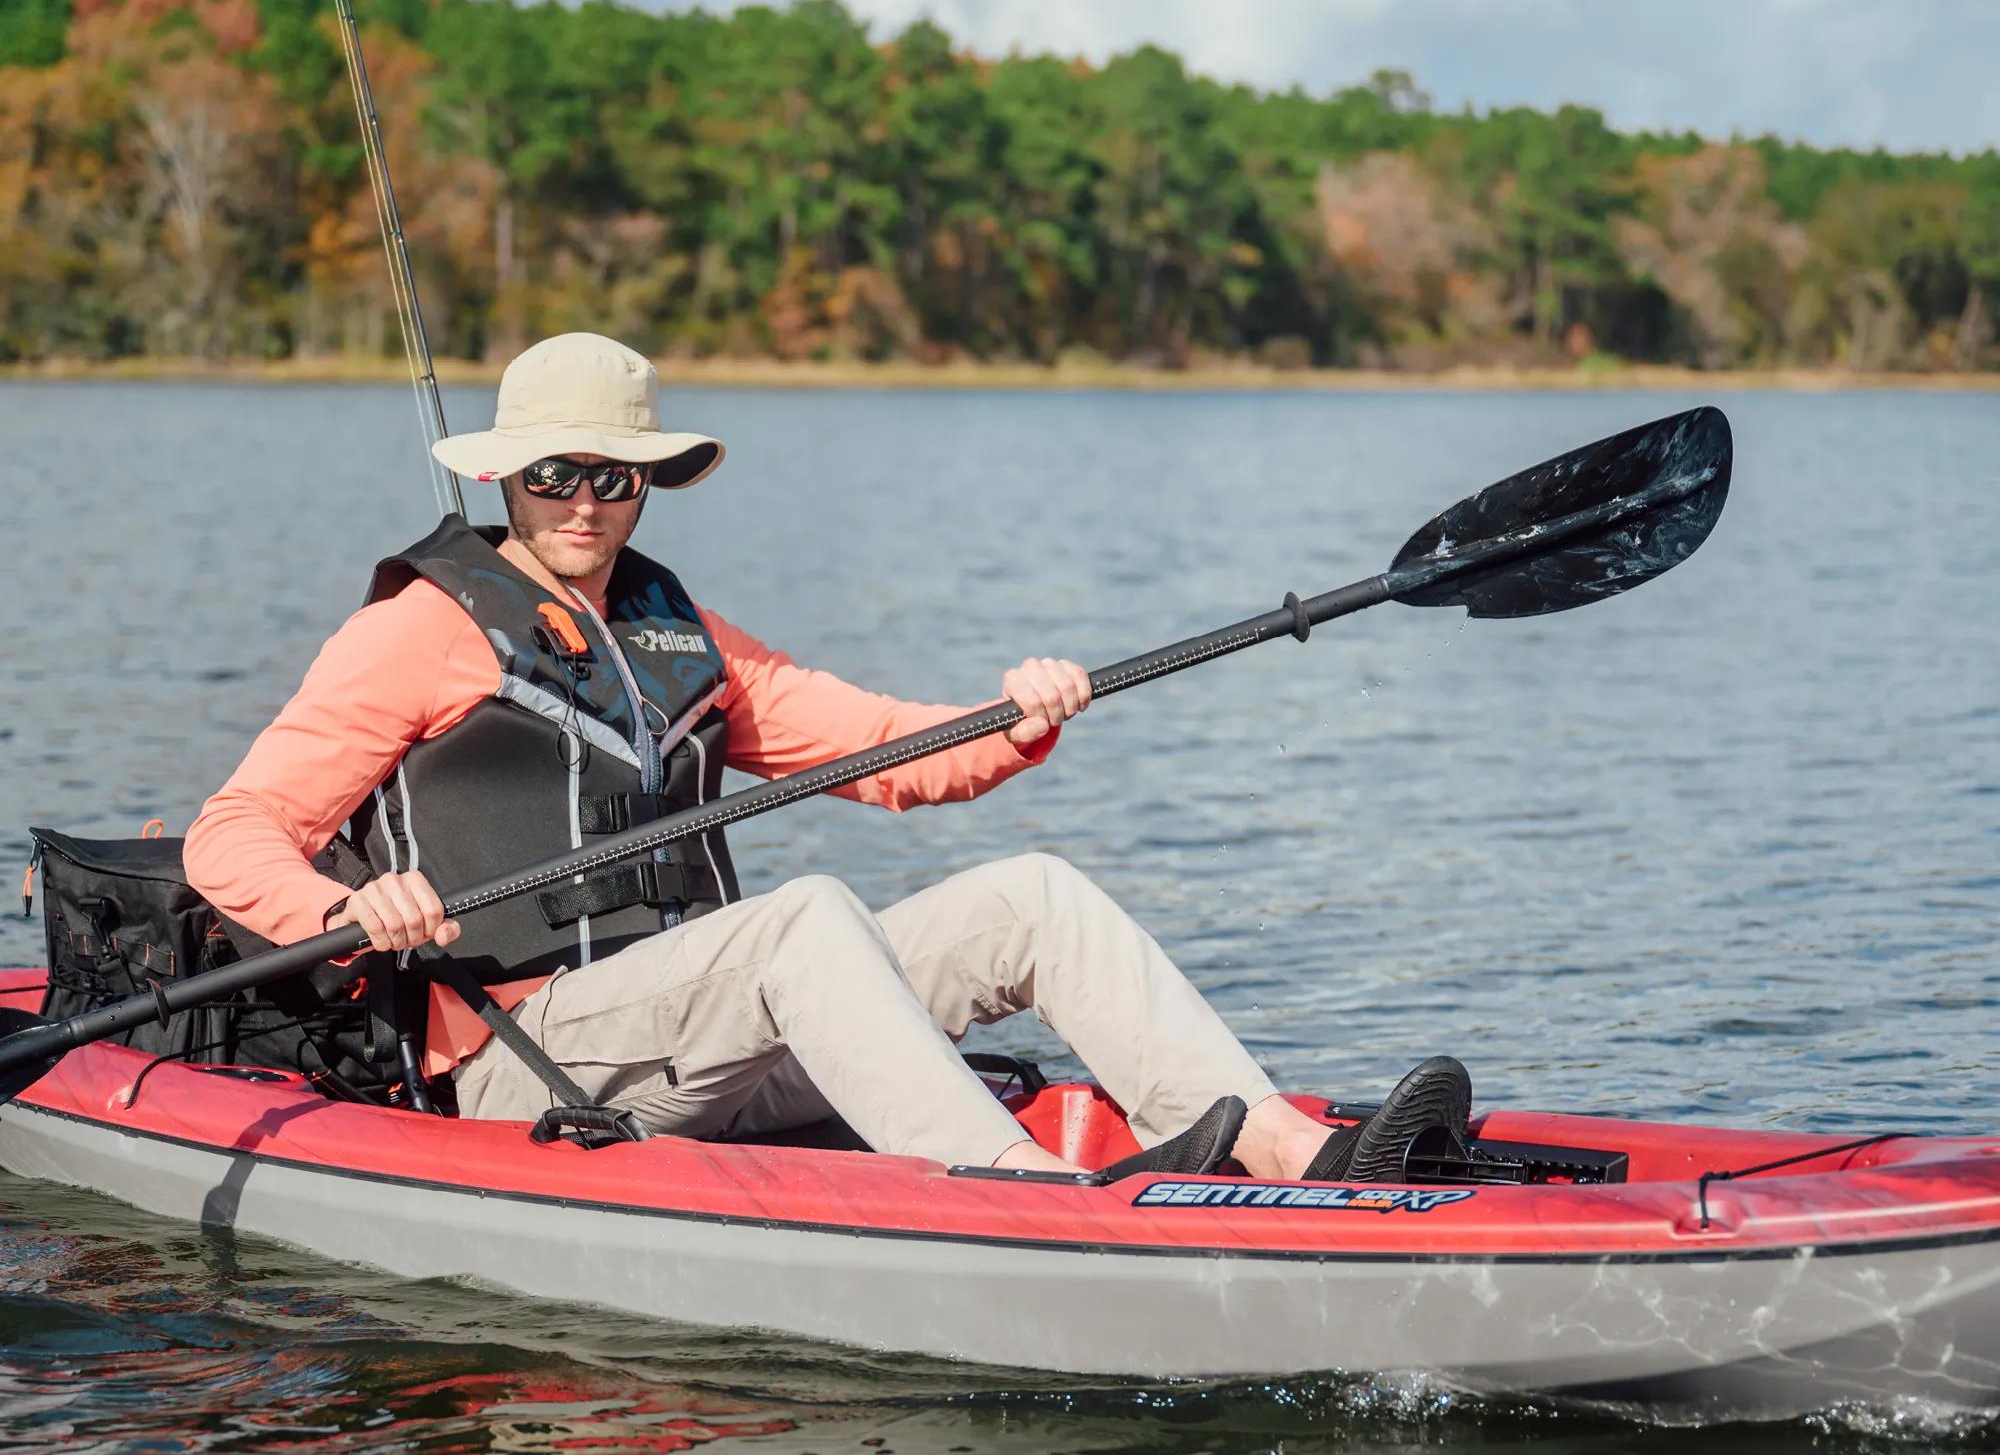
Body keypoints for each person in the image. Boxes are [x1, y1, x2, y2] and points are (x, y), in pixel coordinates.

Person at [186, 333, 1467, 1182]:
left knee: (1031, 892)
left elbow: (885, 751)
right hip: (531, 1070)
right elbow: (231, 834)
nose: (585, 501)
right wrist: (351, 908)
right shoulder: (415, 629)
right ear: (508, 479)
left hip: (701, 1054)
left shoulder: (673, 632)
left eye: (616, 478)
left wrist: (1015, 714)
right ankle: (1019, 1202)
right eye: (554, 475)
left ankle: (1303, 1160)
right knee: (801, 917)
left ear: (649, 485)